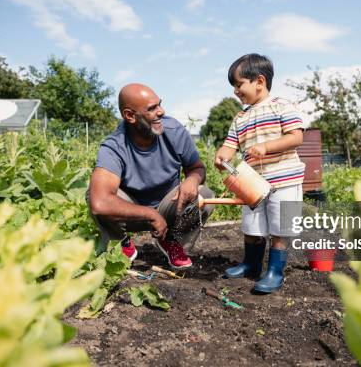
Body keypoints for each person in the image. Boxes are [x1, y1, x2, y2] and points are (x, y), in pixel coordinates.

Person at [87, 83, 214, 269]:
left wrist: (192, 180)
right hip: (133, 211)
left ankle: (171, 240)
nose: (161, 111)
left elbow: (197, 167)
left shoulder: (173, 131)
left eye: (159, 104)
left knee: (205, 196)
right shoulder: (114, 146)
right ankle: (120, 241)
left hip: (169, 205)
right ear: (130, 116)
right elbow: (99, 203)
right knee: (94, 195)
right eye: (152, 108)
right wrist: (150, 214)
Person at [215, 53, 305, 293]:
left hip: (284, 180)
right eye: (233, 86)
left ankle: (275, 271)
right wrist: (223, 155)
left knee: (280, 229)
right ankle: (251, 264)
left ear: (260, 81)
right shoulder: (240, 117)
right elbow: (230, 145)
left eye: (238, 84)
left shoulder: (282, 106)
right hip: (252, 183)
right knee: (252, 227)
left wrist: (266, 147)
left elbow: (296, 137)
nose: (235, 91)